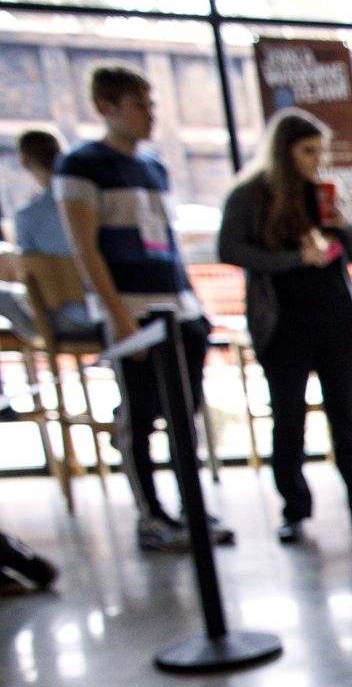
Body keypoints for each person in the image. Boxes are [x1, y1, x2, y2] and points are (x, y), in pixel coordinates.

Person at [55, 63, 233, 553]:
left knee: (184, 412)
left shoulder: (153, 166)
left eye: (151, 105)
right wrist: (118, 318)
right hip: (132, 311)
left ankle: (190, 509)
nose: (150, 115)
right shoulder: (81, 166)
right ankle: (150, 514)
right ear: (107, 108)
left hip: (177, 307)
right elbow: (85, 248)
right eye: (139, 106)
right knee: (139, 417)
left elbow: (163, 242)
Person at [218, 109, 352, 544]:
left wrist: (342, 225)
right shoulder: (250, 196)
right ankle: (294, 509)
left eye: (321, 151)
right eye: (308, 150)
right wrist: (294, 259)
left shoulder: (326, 194)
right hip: (283, 322)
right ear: (285, 150)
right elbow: (229, 249)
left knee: (345, 416)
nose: (316, 159)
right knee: (289, 419)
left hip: (334, 318)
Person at [2, 129, 94, 343]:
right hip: (104, 308)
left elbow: (30, 271)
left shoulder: (27, 216)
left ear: (25, 162)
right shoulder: (88, 200)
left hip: (59, 318)